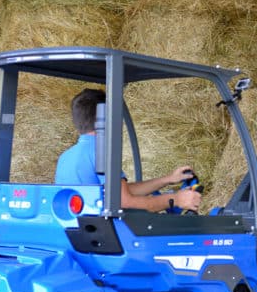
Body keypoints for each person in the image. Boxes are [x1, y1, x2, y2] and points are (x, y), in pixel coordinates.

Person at [55, 88, 201, 213]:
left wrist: (168, 179)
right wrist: (176, 199)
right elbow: (126, 202)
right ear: (107, 118)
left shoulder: (65, 157)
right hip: (108, 232)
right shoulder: (102, 153)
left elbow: (120, 192)